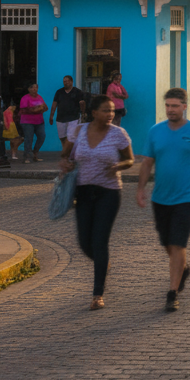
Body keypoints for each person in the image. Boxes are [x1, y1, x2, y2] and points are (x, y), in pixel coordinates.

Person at [136, 87, 190, 312]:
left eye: (175, 106)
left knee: (179, 242)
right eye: (167, 106)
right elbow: (147, 162)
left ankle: (172, 293)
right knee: (167, 242)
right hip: (160, 197)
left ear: (184, 107)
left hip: (186, 197)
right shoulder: (155, 132)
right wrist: (140, 189)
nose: (170, 110)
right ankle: (183, 268)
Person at [60, 95, 134, 310]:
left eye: (112, 110)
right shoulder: (78, 131)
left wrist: (118, 166)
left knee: (100, 241)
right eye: (105, 110)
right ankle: (103, 262)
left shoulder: (118, 134)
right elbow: (65, 155)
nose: (110, 114)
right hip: (83, 192)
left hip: (109, 192)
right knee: (85, 242)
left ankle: (97, 294)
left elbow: (130, 159)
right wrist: (66, 164)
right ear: (93, 113)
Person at [49, 75, 85, 146]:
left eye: (67, 81)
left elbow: (82, 103)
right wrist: (51, 116)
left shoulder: (78, 92)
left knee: (71, 137)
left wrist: (83, 113)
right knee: (62, 137)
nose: (66, 83)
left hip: (73, 118)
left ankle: (69, 151)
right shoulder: (59, 92)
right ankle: (65, 149)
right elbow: (54, 104)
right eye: (64, 81)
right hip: (61, 118)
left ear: (71, 82)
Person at [19, 83, 48, 163]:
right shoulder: (25, 98)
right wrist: (38, 109)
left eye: (36, 87)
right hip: (27, 122)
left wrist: (40, 109)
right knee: (29, 138)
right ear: (28, 89)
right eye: (32, 87)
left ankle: (35, 153)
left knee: (42, 136)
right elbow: (25, 110)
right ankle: (26, 156)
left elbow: (45, 107)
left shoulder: (39, 97)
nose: (34, 89)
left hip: (39, 121)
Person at [3, 97, 21, 162]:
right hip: (11, 127)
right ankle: (13, 154)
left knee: (14, 140)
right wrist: (6, 126)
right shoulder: (7, 111)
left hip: (12, 126)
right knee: (14, 140)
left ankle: (13, 154)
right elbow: (5, 120)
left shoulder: (10, 111)